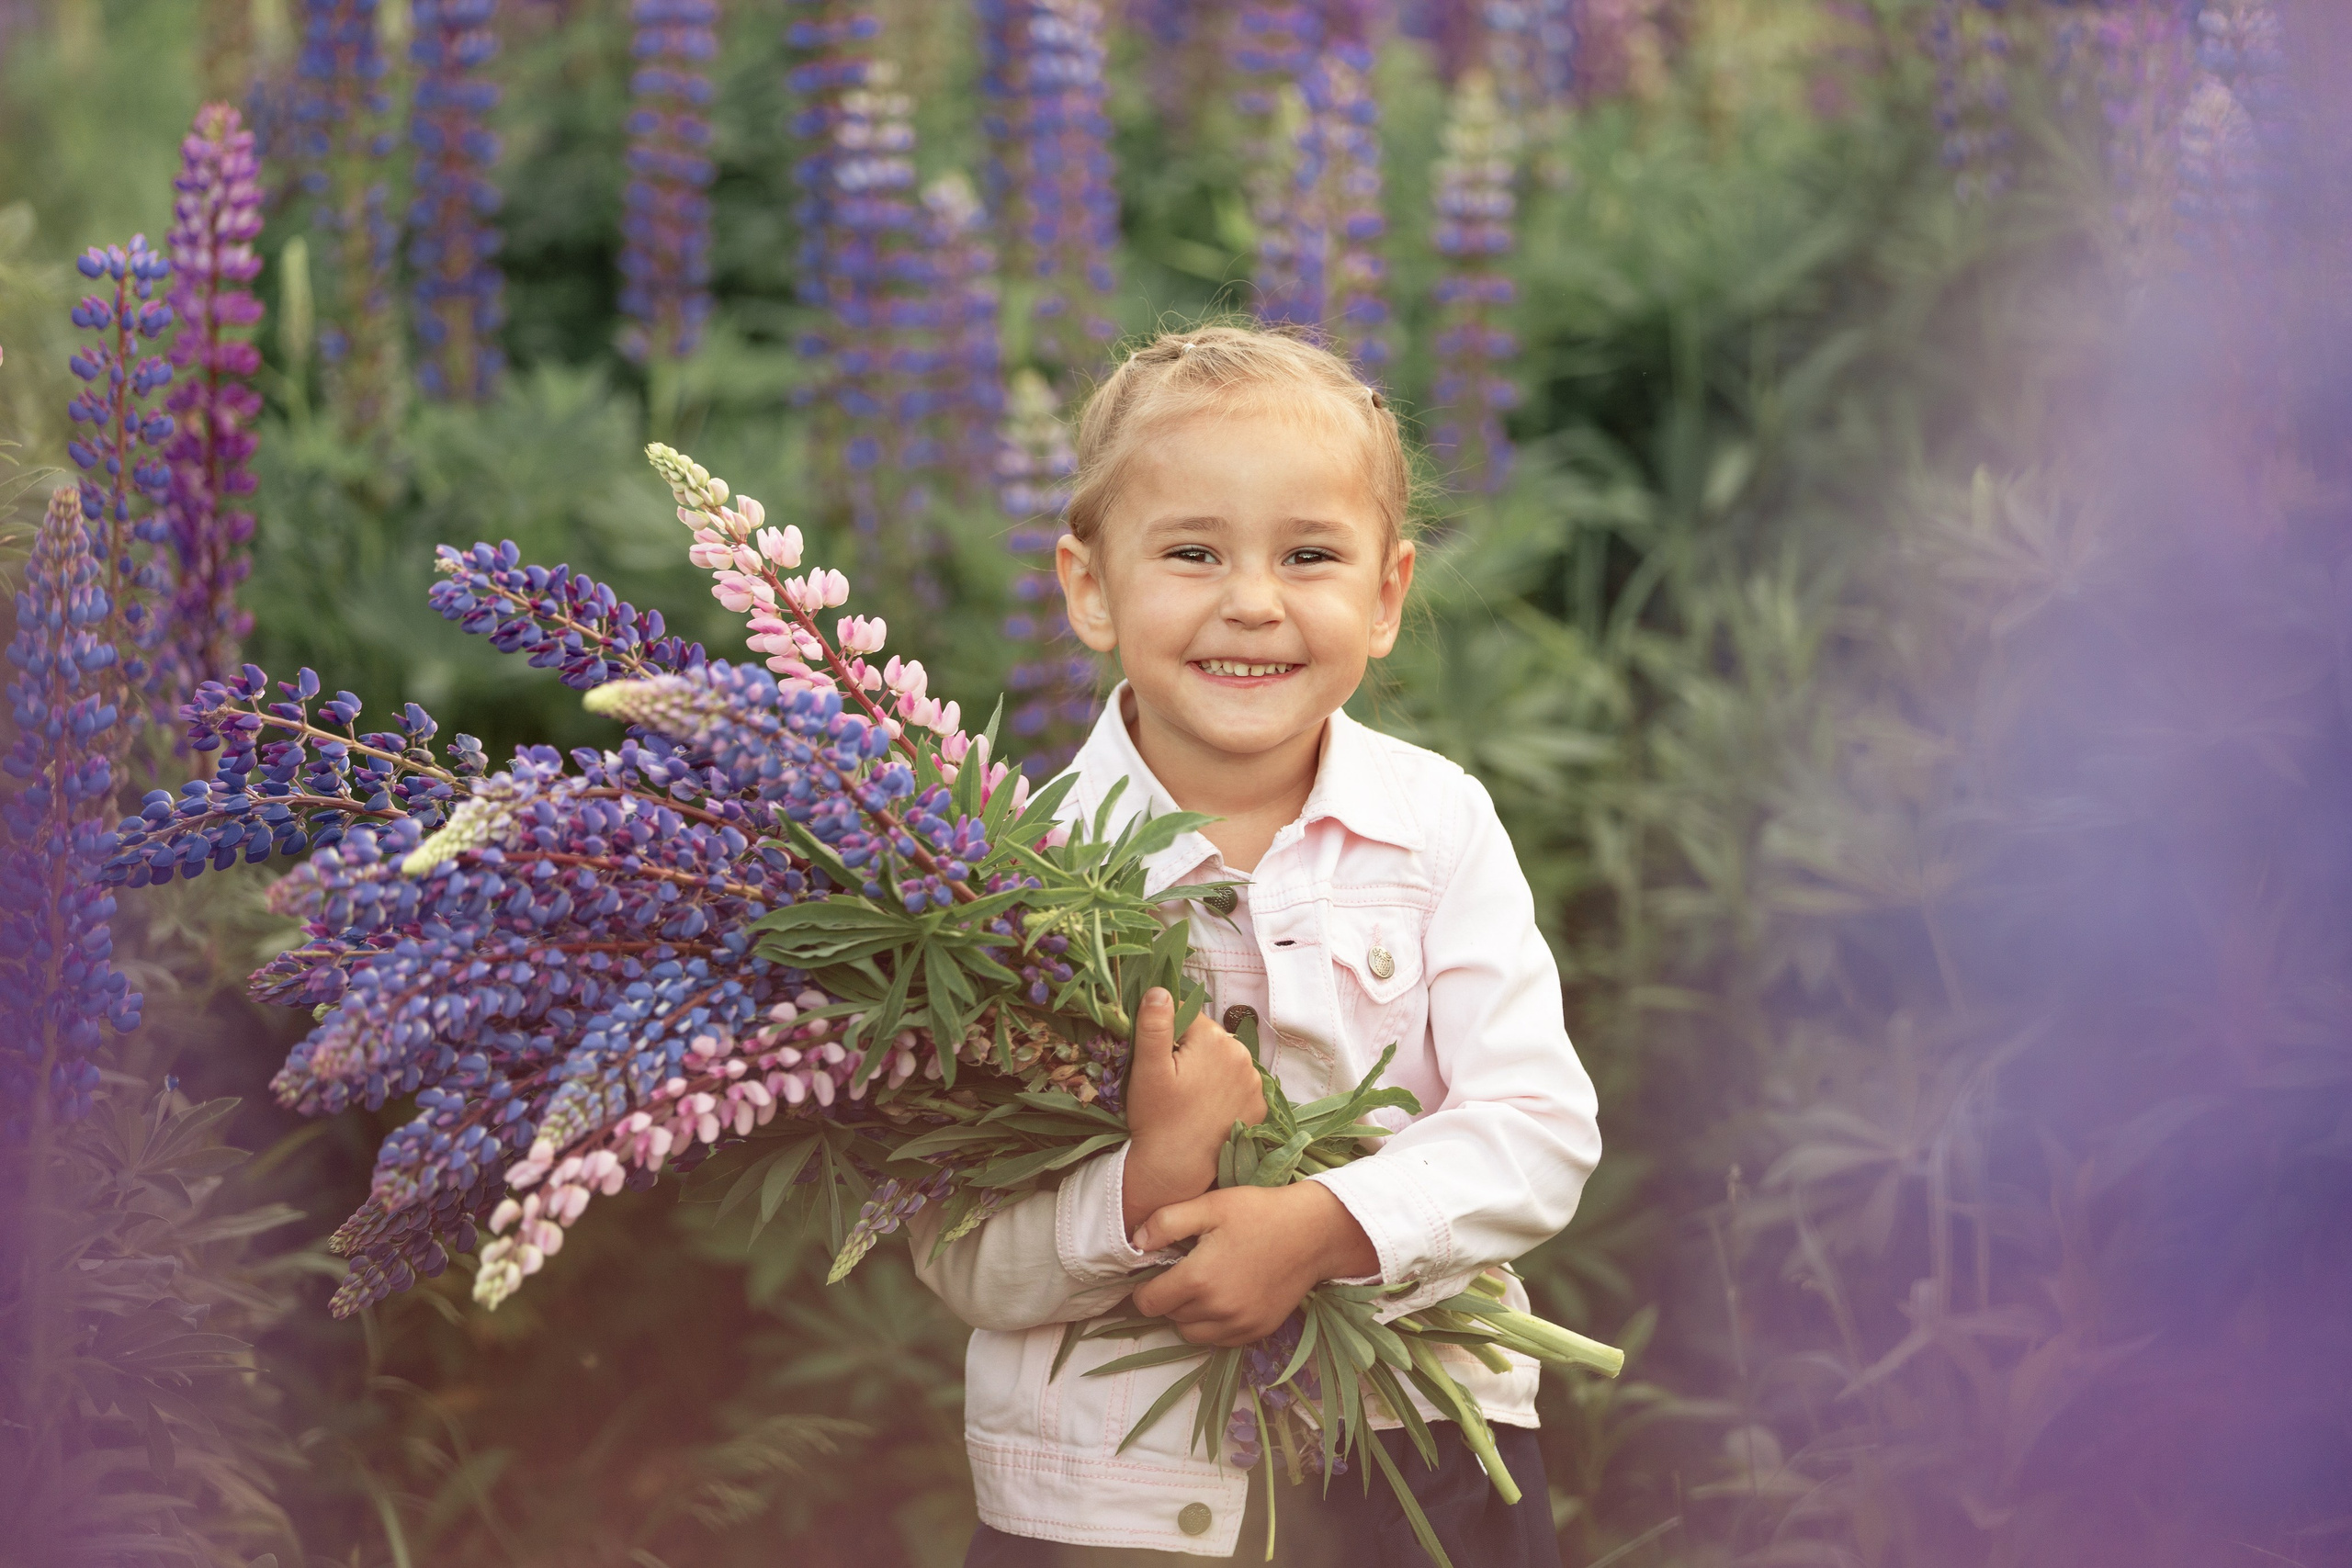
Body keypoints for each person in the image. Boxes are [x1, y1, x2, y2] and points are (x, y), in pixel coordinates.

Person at [909, 322, 1601, 1565]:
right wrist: (1144, 1185)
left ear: (1386, 596)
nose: (1252, 601)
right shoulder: (1005, 878)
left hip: (1421, 1454)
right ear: (1087, 586)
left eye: (1309, 554)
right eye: (1190, 551)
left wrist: (1326, 1224)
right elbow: (961, 1254)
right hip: (1113, 1508)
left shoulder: (1437, 826)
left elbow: (1539, 1129)